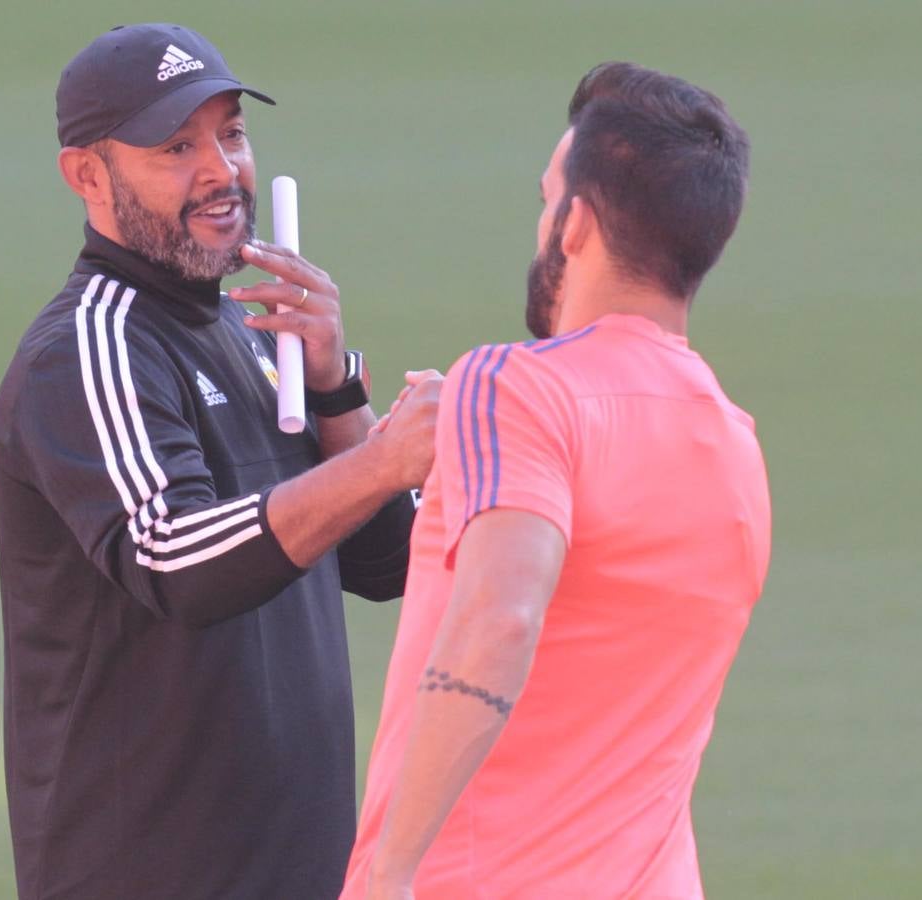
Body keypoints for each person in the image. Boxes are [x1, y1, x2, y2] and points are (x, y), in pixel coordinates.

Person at [0, 23, 437, 900]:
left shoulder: (252, 335)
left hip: (297, 868)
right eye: (175, 146)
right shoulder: (89, 348)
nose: (221, 172)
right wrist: (386, 461)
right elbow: (174, 560)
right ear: (87, 175)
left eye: (231, 134)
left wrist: (339, 390)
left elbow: (387, 564)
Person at [344, 63, 771, 899]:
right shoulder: (732, 442)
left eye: (546, 199)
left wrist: (387, 876)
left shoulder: (514, 385)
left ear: (575, 223)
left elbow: (500, 617)